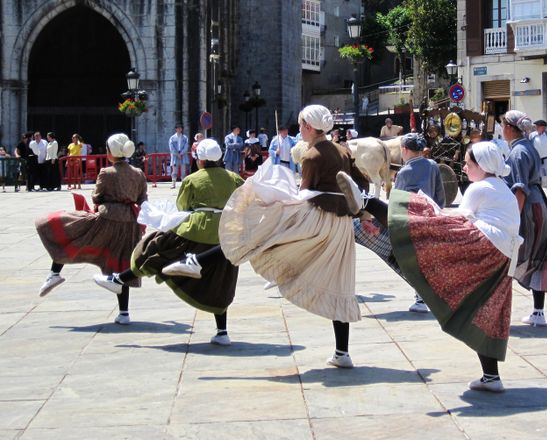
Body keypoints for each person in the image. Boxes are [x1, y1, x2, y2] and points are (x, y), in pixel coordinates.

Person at [163, 105, 369, 368]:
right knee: (339, 281)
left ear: (308, 126)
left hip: (317, 218)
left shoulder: (313, 155)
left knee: (259, 237)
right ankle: (343, 352)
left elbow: (305, 193)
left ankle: (198, 262)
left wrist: (276, 197)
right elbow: (358, 182)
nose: (300, 130)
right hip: (340, 225)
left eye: (301, 125)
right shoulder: (342, 150)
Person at [386, 142, 523, 392]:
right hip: (506, 256)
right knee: (486, 310)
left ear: (482, 166)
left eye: (469, 164)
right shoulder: (502, 187)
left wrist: (429, 212)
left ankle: (372, 206)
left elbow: (459, 219)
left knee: (429, 229)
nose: (465, 167)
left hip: (487, 246)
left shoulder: (478, 188)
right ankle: (491, 376)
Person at [94, 139, 244, 344]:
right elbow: (243, 200)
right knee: (221, 279)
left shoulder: (192, 179)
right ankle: (222, 332)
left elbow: (183, 205)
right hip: (225, 234)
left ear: (200, 159)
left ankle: (119, 279)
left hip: (196, 229)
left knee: (154, 249)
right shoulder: (234, 178)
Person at [35, 134, 148, 324]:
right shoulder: (138, 173)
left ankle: (55, 273)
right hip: (130, 223)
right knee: (121, 263)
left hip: (107, 219)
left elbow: (97, 196)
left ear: (111, 152)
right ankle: (124, 313)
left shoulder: (106, 172)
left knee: (74, 233)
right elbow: (143, 199)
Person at [353, 133, 446, 314]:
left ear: (404, 150)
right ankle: (429, 297)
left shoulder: (404, 172)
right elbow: (440, 196)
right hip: (430, 219)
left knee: (411, 261)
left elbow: (397, 202)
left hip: (410, 222)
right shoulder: (433, 166)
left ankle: (421, 299)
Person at [503, 111, 547, 327]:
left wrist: (513, 220)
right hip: (541, 205)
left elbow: (520, 189)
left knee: (509, 255)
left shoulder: (518, 151)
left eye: (503, 125)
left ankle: (499, 309)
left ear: (510, 128)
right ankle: (538, 311)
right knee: (540, 254)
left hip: (528, 208)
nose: (502, 129)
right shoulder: (529, 147)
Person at [168, 125, 189, 189]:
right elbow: (171, 147)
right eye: (178, 128)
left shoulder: (185, 138)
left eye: (180, 128)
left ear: (181, 129)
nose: (179, 129)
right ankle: (173, 184)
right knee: (174, 171)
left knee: (183, 171)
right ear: (176, 129)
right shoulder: (172, 138)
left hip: (183, 155)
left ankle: (183, 184)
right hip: (175, 156)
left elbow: (186, 146)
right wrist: (177, 154)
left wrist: (181, 153)